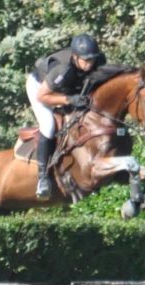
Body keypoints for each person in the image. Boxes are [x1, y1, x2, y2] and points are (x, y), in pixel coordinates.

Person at [26, 33, 107, 200]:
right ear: (75, 57)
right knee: (48, 125)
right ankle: (43, 178)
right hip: (40, 88)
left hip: (66, 86)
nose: (90, 64)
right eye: (86, 60)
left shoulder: (98, 61)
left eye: (92, 59)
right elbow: (43, 96)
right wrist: (69, 100)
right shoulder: (64, 69)